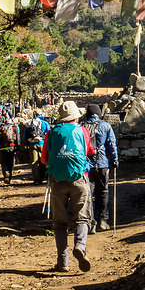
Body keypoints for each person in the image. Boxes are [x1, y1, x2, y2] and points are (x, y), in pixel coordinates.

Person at [41, 101, 95, 273]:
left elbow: (44, 159)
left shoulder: (51, 132)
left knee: (59, 223)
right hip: (79, 179)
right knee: (82, 217)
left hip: (57, 181)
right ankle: (80, 246)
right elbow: (90, 151)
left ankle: (62, 262)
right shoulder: (83, 131)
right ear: (76, 116)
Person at [81, 104, 119, 233]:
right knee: (103, 191)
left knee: (88, 193)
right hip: (102, 163)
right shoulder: (105, 125)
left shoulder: (82, 127)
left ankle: (91, 222)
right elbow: (111, 144)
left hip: (86, 164)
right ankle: (103, 220)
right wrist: (115, 160)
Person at [26, 108, 51, 184]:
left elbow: (25, 135)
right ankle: (42, 176)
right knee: (42, 160)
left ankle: (36, 179)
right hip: (42, 143)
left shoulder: (30, 123)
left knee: (34, 161)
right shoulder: (44, 123)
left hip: (32, 144)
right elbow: (49, 133)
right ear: (40, 114)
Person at [0, 117, 20, 183]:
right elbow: (17, 139)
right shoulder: (14, 128)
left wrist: (2, 143)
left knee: (4, 162)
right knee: (10, 163)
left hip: (3, 147)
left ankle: (5, 173)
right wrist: (18, 147)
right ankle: (9, 177)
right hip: (12, 147)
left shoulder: (1, 128)